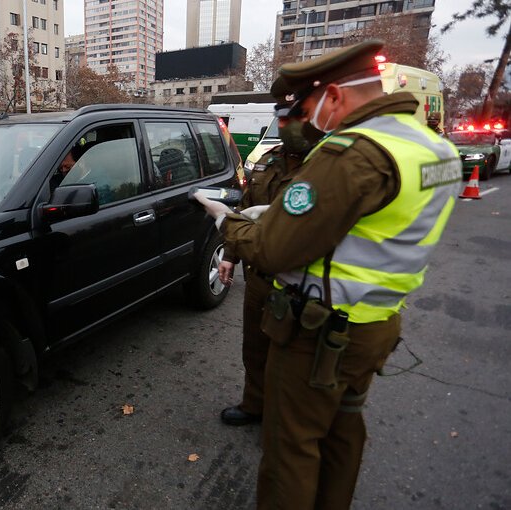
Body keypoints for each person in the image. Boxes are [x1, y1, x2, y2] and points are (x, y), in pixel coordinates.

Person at [196, 40, 461, 509]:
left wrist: (224, 219)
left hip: (318, 330)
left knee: (292, 446)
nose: (305, 120)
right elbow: (373, 224)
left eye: (305, 106)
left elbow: (273, 250)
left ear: (334, 95)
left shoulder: (352, 152)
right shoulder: (434, 149)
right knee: (342, 431)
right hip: (376, 322)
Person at [217, 77, 322, 427]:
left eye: (292, 117)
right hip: (259, 277)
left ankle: (284, 418)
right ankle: (254, 404)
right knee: (255, 347)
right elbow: (244, 212)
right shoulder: (267, 160)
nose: (284, 125)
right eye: (280, 118)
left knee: (292, 357)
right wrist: (230, 256)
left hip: (299, 283)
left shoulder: (328, 165)